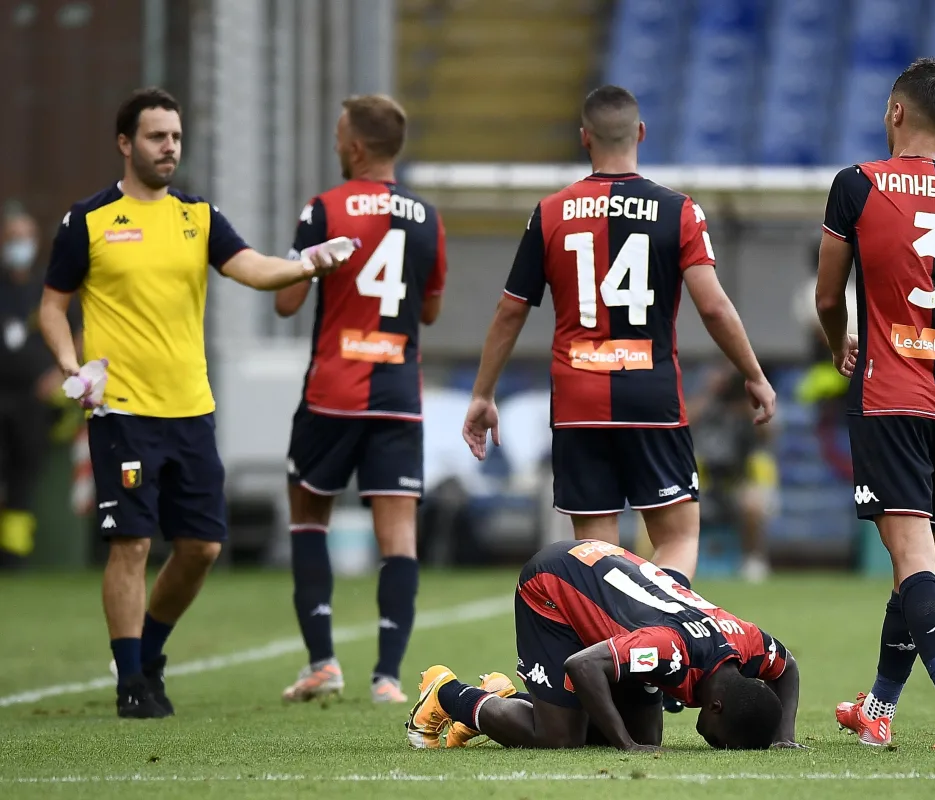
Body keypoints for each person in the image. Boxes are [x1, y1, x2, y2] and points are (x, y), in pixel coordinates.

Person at [39, 87, 347, 719]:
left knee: (203, 547)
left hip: (191, 412)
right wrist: (71, 363)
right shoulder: (89, 220)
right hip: (121, 411)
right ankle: (130, 680)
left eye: (175, 136)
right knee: (131, 544)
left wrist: (308, 265)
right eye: (156, 136)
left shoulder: (197, 216)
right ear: (126, 144)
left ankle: (148, 653)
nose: (169, 147)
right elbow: (52, 305)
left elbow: (256, 269)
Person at [461, 85, 776, 591]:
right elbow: (714, 306)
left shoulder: (549, 214)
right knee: (677, 539)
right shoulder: (679, 211)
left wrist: (483, 394)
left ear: (585, 138)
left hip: (578, 397)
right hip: (650, 392)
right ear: (641, 134)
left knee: (597, 555)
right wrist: (754, 375)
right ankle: (654, 640)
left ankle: (614, 654)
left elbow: (509, 311)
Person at [815, 58, 935, 749]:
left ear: (896, 112)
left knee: (911, 562)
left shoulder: (856, 185)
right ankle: (880, 711)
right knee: (914, 562)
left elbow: (829, 296)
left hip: (888, 392)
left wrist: (844, 344)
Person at [273, 94, 447, 705]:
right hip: (398, 392)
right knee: (399, 537)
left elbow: (286, 301)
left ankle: (322, 662)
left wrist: (314, 266)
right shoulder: (427, 217)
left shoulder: (325, 208)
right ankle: (389, 679)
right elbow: (429, 307)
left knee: (307, 519)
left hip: (333, 393)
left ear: (354, 147)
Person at [405, 539, 801, 751]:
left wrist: (784, 735)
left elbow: (789, 667)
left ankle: (511, 700)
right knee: (561, 738)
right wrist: (625, 746)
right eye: (719, 740)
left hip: (610, 590)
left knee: (645, 737)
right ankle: (448, 694)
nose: (712, 743)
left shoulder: (747, 642)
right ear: (715, 707)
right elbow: (583, 665)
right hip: (554, 585)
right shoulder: (665, 650)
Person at [0, 204, 66, 568]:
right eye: (12, 238)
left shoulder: (49, 288)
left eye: (24, 238)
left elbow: (80, 333)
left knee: (23, 477)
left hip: (33, 401)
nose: (18, 245)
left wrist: (59, 375)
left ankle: (14, 559)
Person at [690, 365, 780, 582]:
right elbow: (682, 420)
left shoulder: (748, 409)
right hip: (705, 485)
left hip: (737, 483)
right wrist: (710, 392)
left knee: (752, 502)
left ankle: (753, 561)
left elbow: (769, 434)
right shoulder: (707, 405)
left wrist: (750, 403)